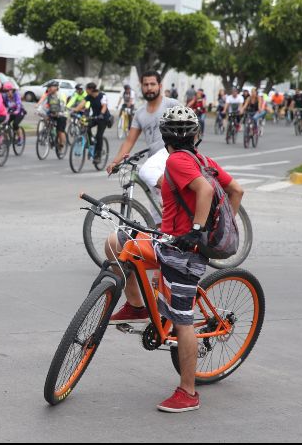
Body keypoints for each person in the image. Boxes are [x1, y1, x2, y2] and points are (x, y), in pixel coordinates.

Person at [104, 105, 244, 413]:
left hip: (184, 252)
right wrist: (218, 231)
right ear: (196, 136)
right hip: (166, 241)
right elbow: (236, 190)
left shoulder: (178, 160)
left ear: (164, 136)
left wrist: (199, 232)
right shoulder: (203, 160)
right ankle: (137, 307)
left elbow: (205, 190)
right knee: (117, 243)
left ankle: (188, 392)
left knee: (182, 321)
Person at [106, 70, 179, 225]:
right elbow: (129, 141)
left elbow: (192, 128)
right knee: (158, 215)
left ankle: (176, 196)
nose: (149, 88)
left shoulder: (171, 104)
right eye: (146, 84)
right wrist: (115, 162)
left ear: (160, 86)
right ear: (141, 87)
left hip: (172, 155)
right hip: (155, 162)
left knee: (147, 172)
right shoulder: (140, 113)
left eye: (152, 84)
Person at [72, 82, 111, 164]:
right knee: (86, 126)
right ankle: (91, 143)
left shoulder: (102, 96)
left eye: (87, 89)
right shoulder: (89, 96)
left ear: (91, 89)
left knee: (99, 136)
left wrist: (101, 114)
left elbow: (104, 106)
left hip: (103, 118)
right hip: (94, 117)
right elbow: (82, 104)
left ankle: (98, 155)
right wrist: (74, 110)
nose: (85, 90)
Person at [36, 81, 68, 151]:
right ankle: (49, 134)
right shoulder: (48, 95)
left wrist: (59, 112)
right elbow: (44, 104)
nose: (49, 89)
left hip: (62, 114)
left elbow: (63, 105)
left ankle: (61, 144)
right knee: (46, 120)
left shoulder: (61, 95)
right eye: (48, 87)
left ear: (56, 88)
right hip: (52, 113)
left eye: (50, 87)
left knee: (60, 131)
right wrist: (39, 110)